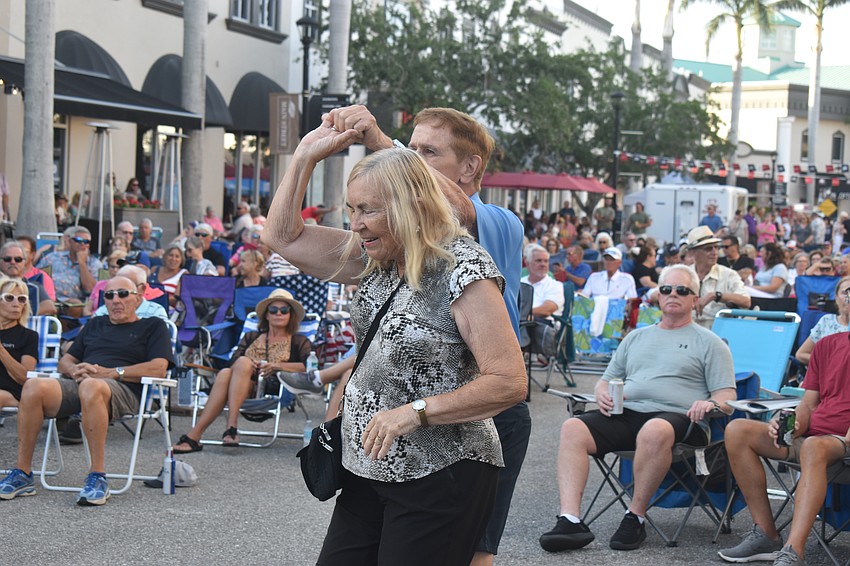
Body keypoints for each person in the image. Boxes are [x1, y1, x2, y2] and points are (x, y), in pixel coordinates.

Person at [264, 122, 526, 565]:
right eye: (352, 209)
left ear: (410, 205)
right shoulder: (376, 255)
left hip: (443, 469)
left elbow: (509, 382)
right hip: (368, 463)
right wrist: (305, 155)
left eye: (368, 210)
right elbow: (283, 237)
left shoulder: (463, 267)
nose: (356, 224)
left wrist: (415, 413)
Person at [539, 264, 736, 553]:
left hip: (681, 420)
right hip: (629, 414)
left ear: (695, 299)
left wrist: (710, 403)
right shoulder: (636, 337)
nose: (673, 295)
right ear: (657, 295)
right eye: (666, 289)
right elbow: (606, 381)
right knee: (573, 427)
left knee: (654, 429)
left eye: (682, 290)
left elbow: (727, 396)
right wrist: (603, 394)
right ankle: (570, 519)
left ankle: (635, 517)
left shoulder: (711, 343)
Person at [0, 276, 174, 504]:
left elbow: (159, 368)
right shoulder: (95, 323)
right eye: (109, 295)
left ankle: (97, 476)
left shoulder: (153, 326)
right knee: (33, 386)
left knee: (92, 385)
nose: (115, 300)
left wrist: (112, 372)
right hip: (83, 382)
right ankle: (23, 473)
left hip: (125, 389)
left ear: (138, 298)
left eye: (123, 294)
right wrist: (74, 370)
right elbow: (66, 361)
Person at [717, 319, 850, 564]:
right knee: (738, 430)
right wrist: (791, 423)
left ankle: (793, 551)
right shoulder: (827, 345)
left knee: (813, 446)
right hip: (816, 438)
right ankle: (766, 534)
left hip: (842, 442)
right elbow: (809, 404)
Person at [172, 289, 310, 451]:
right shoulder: (251, 337)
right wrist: (250, 365)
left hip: (271, 388)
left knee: (234, 367)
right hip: (240, 383)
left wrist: (276, 366)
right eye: (273, 310)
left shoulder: (299, 340)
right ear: (266, 315)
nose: (278, 313)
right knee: (229, 370)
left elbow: (308, 367)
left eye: (284, 310)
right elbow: (233, 362)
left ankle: (210, 432)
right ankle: (213, 433)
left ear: (290, 315)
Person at [685, 227, 751, 328]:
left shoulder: (728, 274)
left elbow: (746, 301)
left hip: (717, 332)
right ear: (693, 252)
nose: (714, 252)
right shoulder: (684, 274)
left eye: (716, 247)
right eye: (708, 248)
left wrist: (715, 295)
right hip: (688, 330)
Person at [0, 277, 39, 410]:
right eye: (9, 298)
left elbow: (24, 377)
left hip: (12, 392)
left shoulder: (29, 336)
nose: (16, 304)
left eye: (21, 299)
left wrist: (1, 351)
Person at [36, 226, 101, 304]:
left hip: (74, 303)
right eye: (78, 240)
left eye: (86, 241)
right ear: (70, 242)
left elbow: (91, 290)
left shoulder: (94, 263)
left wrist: (82, 263)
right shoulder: (53, 257)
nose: (82, 244)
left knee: (75, 304)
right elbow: (36, 277)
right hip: (49, 299)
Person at [794, 276, 850, 365]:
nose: (848, 298)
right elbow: (801, 354)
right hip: (827, 374)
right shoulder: (827, 322)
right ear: (836, 297)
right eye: (844, 293)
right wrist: (831, 362)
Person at [521, 244, 565, 357]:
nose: (543, 264)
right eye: (539, 261)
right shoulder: (520, 282)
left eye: (546, 261)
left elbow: (546, 310)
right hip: (521, 321)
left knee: (521, 323)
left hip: (544, 322)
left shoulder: (555, 285)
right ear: (527, 262)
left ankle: (519, 355)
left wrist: (525, 314)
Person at [0, 241, 56, 316]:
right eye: (7, 259)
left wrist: (20, 314)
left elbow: (50, 307)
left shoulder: (33, 287)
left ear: (24, 262)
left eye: (18, 259)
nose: (13, 262)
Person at [17, 236, 56, 301]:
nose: (19, 254)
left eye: (24, 251)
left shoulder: (41, 277)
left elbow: (49, 304)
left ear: (32, 254)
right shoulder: (3, 274)